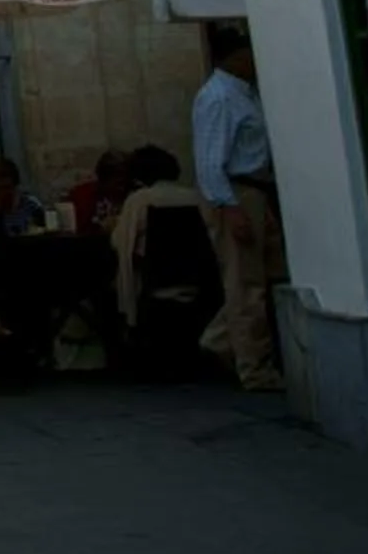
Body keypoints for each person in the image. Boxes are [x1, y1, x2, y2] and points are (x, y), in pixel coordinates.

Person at [192, 29, 286, 391]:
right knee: (246, 283)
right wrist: (228, 206)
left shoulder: (244, 94)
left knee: (270, 274)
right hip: (237, 191)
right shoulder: (218, 97)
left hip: (256, 191)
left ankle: (219, 338)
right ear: (233, 56)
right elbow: (209, 161)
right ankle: (255, 368)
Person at [109, 144, 205, 329]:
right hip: (197, 279)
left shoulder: (140, 200)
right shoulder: (195, 197)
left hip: (155, 283)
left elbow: (118, 242)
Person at [67, 149, 134, 235]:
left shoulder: (133, 195)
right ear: (104, 179)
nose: (123, 187)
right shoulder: (82, 196)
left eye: (127, 182)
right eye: (119, 183)